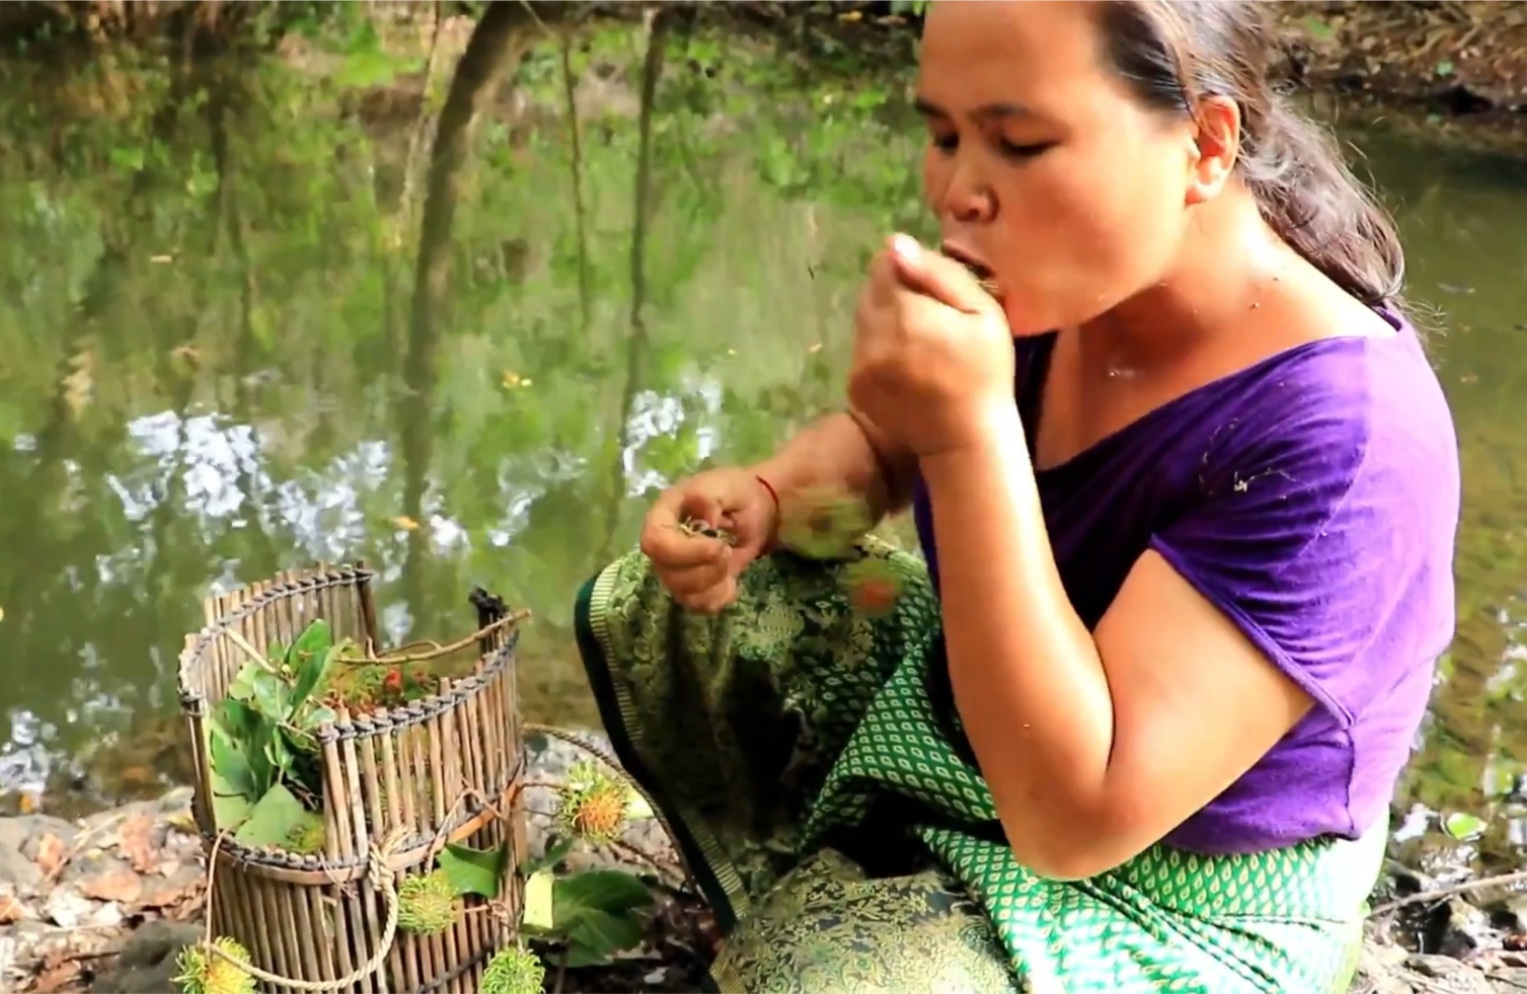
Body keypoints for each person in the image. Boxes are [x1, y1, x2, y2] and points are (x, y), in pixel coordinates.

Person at [570, 1, 1461, 991]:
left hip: (1177, 883)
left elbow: (1080, 815)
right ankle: (846, 893)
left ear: (1205, 145)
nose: (956, 191)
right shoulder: (1058, 275)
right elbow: (881, 446)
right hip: (1004, 734)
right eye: (943, 134)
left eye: (1020, 142)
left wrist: (968, 430)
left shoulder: (1344, 437)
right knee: (669, 612)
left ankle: (864, 926)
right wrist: (768, 499)